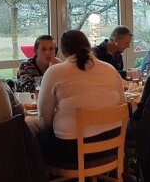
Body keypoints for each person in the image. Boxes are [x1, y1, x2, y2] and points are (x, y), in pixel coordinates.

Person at [36, 30, 126, 165]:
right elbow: (123, 106)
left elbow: (45, 118)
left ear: (63, 52)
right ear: (88, 46)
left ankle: (44, 179)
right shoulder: (110, 69)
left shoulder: (55, 72)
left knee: (34, 141)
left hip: (73, 152)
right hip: (112, 145)